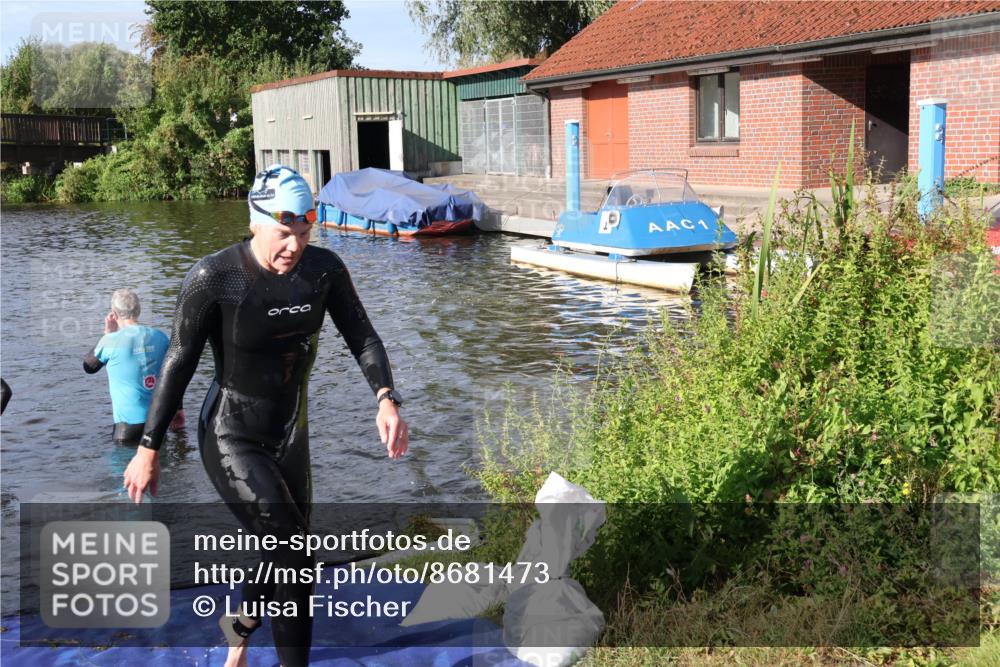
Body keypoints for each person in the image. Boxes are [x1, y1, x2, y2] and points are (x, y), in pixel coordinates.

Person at [122, 165, 409, 667]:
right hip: (231, 435)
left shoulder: (323, 270)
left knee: (286, 549)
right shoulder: (215, 277)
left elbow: (363, 336)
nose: (294, 246)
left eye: (304, 233)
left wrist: (386, 398)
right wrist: (149, 447)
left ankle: (239, 628)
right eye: (283, 233)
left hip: (291, 433)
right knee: (296, 554)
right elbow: (179, 361)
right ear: (254, 221)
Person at [84, 289, 184, 443]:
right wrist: (178, 409)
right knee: (159, 458)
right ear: (139, 310)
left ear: (114, 314)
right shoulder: (160, 337)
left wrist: (107, 333)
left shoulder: (110, 341)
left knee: (125, 458)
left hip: (127, 428)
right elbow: (175, 374)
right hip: (157, 424)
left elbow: (89, 367)